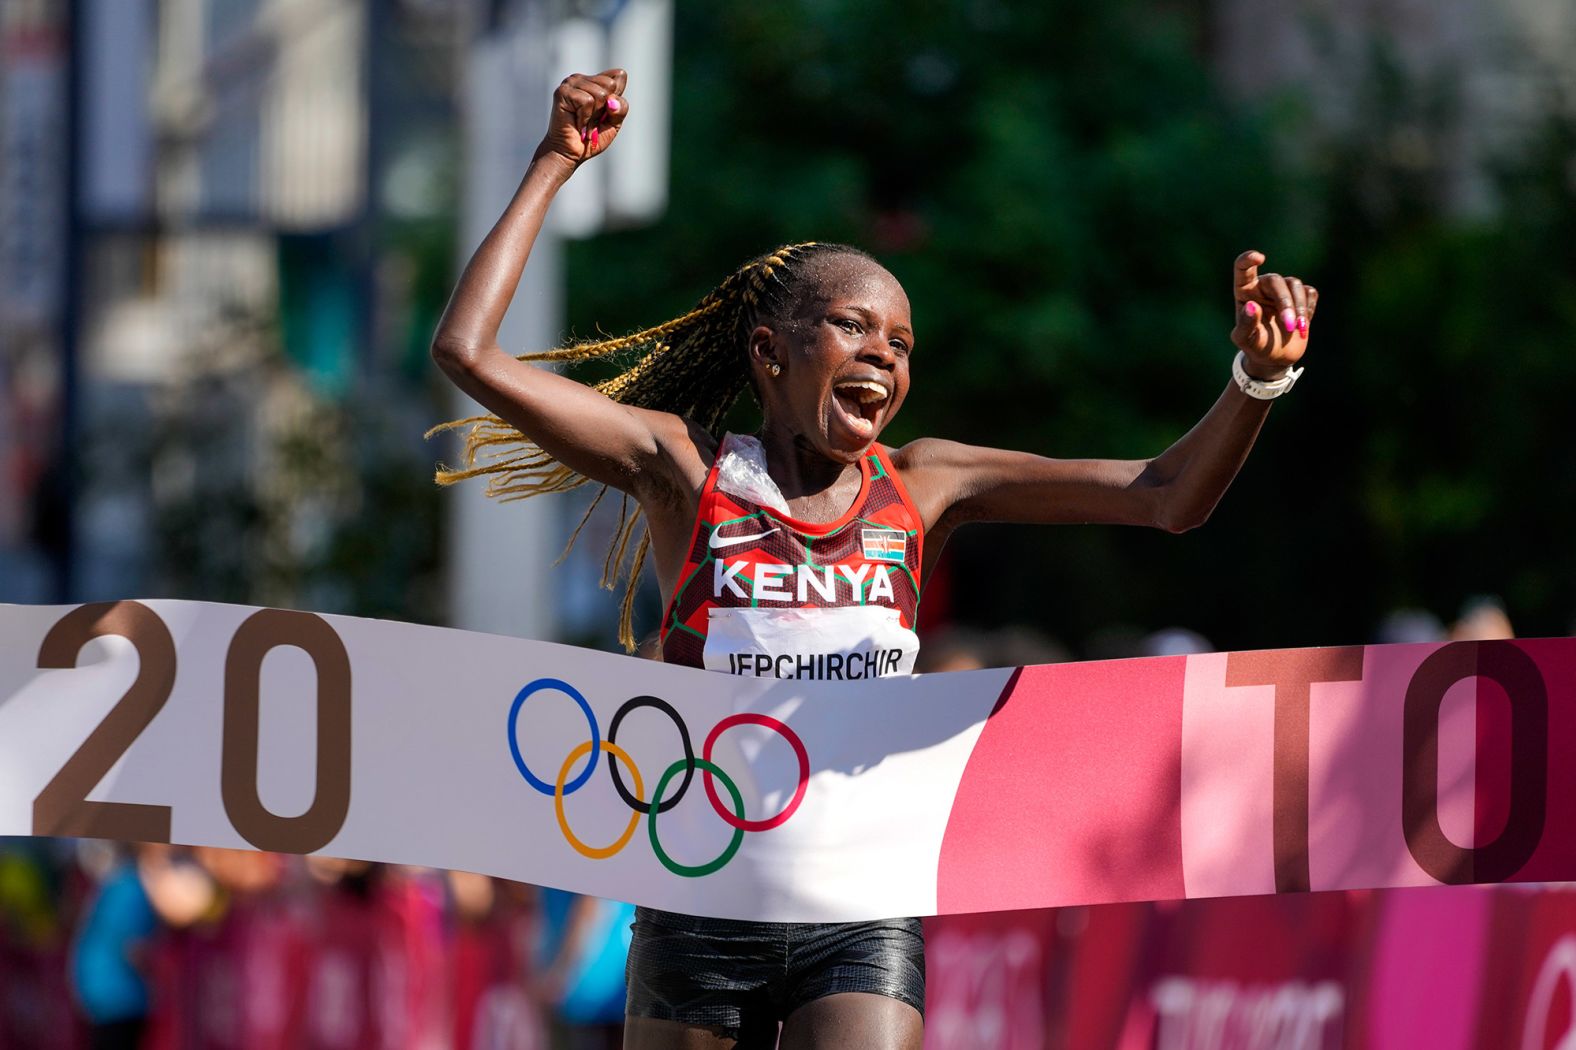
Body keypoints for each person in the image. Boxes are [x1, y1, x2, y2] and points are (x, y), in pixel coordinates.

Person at [430, 69, 1316, 1050]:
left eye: (901, 343)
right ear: (770, 351)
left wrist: (1257, 379)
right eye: (855, 327)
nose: (886, 358)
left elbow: (1167, 497)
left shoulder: (925, 483)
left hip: (859, 909)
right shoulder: (682, 467)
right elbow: (469, 352)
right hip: (698, 902)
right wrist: (555, 161)